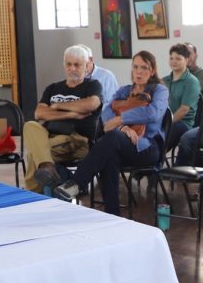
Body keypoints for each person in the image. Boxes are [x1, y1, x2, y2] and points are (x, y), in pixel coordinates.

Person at [54, 51, 168, 216]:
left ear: (152, 71)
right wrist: (123, 128)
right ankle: (112, 214)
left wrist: (121, 119)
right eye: (135, 67)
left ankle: (77, 183)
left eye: (144, 68)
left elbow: (153, 113)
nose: (138, 72)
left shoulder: (160, 90)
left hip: (147, 147)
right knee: (110, 155)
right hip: (123, 144)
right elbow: (106, 113)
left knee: (111, 139)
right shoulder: (124, 91)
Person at [24, 44, 103, 192]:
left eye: (77, 65)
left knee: (33, 154)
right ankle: (47, 168)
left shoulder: (92, 85)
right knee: (30, 125)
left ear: (86, 66)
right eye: (69, 64)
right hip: (50, 135)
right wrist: (70, 114)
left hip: (77, 140)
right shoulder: (53, 88)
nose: (72, 68)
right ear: (64, 65)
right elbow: (39, 113)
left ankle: (34, 193)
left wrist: (57, 106)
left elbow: (91, 104)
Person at [162, 43, 201, 153]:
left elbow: (184, 110)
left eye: (178, 59)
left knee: (162, 137)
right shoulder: (163, 80)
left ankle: (155, 158)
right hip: (164, 121)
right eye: (171, 58)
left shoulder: (191, 81)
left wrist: (166, 123)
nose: (174, 61)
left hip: (183, 124)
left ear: (187, 60)